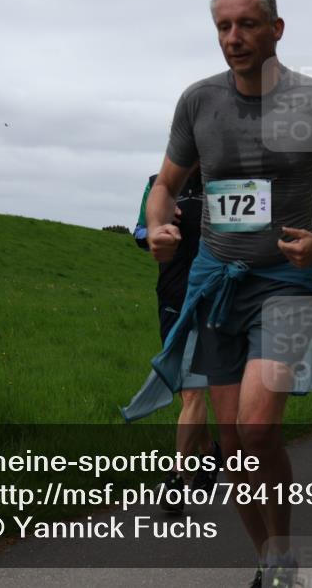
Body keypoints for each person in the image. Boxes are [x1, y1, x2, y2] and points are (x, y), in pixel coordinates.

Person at [126, 0, 312, 588]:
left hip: (285, 280)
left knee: (259, 428)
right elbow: (164, 183)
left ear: (276, 29)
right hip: (215, 280)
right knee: (236, 443)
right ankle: (272, 559)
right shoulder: (197, 101)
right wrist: (158, 226)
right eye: (223, 27)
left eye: (247, 24)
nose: (233, 38)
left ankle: (283, 549)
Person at [134, 169, 222, 512]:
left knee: (192, 390)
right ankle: (210, 453)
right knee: (187, 389)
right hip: (171, 298)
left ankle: (177, 478)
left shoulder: (227, 182)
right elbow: (140, 233)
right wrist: (157, 227)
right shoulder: (159, 183)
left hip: (213, 299)